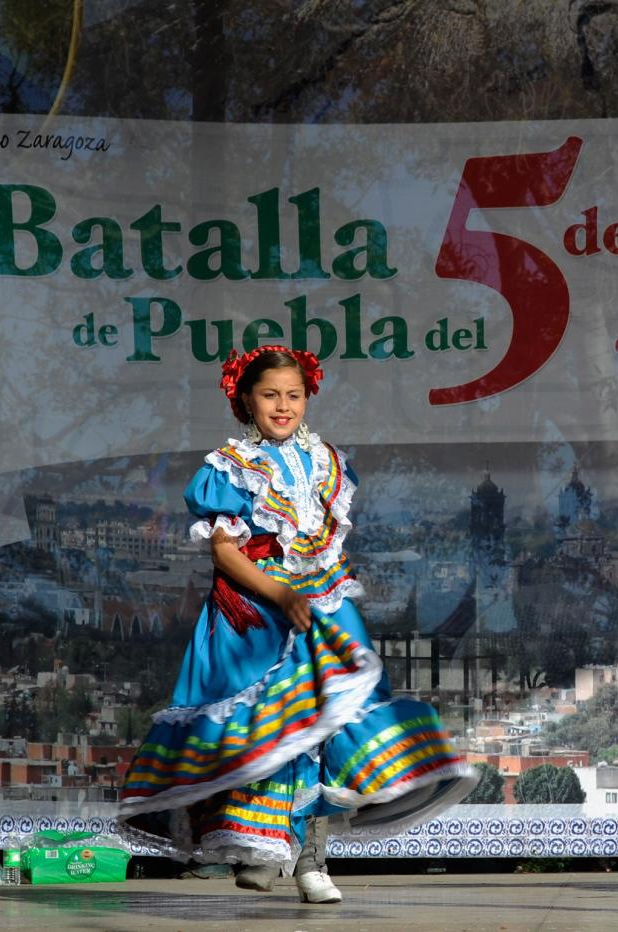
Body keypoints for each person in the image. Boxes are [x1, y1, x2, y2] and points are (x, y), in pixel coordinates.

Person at [117, 345, 476, 903]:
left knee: (327, 725)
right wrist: (280, 592)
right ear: (246, 401)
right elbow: (225, 551)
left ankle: (312, 858)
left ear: (308, 398)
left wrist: (328, 589)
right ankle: (261, 844)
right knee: (272, 731)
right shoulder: (229, 465)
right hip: (258, 609)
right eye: (270, 395)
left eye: (293, 395)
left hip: (321, 605)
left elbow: (325, 542)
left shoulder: (328, 461)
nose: (283, 406)